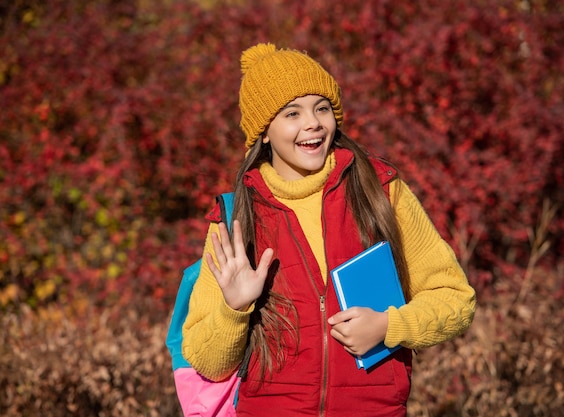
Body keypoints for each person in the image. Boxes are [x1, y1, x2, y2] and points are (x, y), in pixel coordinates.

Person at [182, 42, 476, 417]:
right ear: (264, 133)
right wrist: (235, 308)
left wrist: (389, 325)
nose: (313, 123)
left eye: (322, 108)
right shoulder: (236, 218)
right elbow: (208, 362)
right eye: (292, 113)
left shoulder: (381, 192)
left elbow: (456, 299)